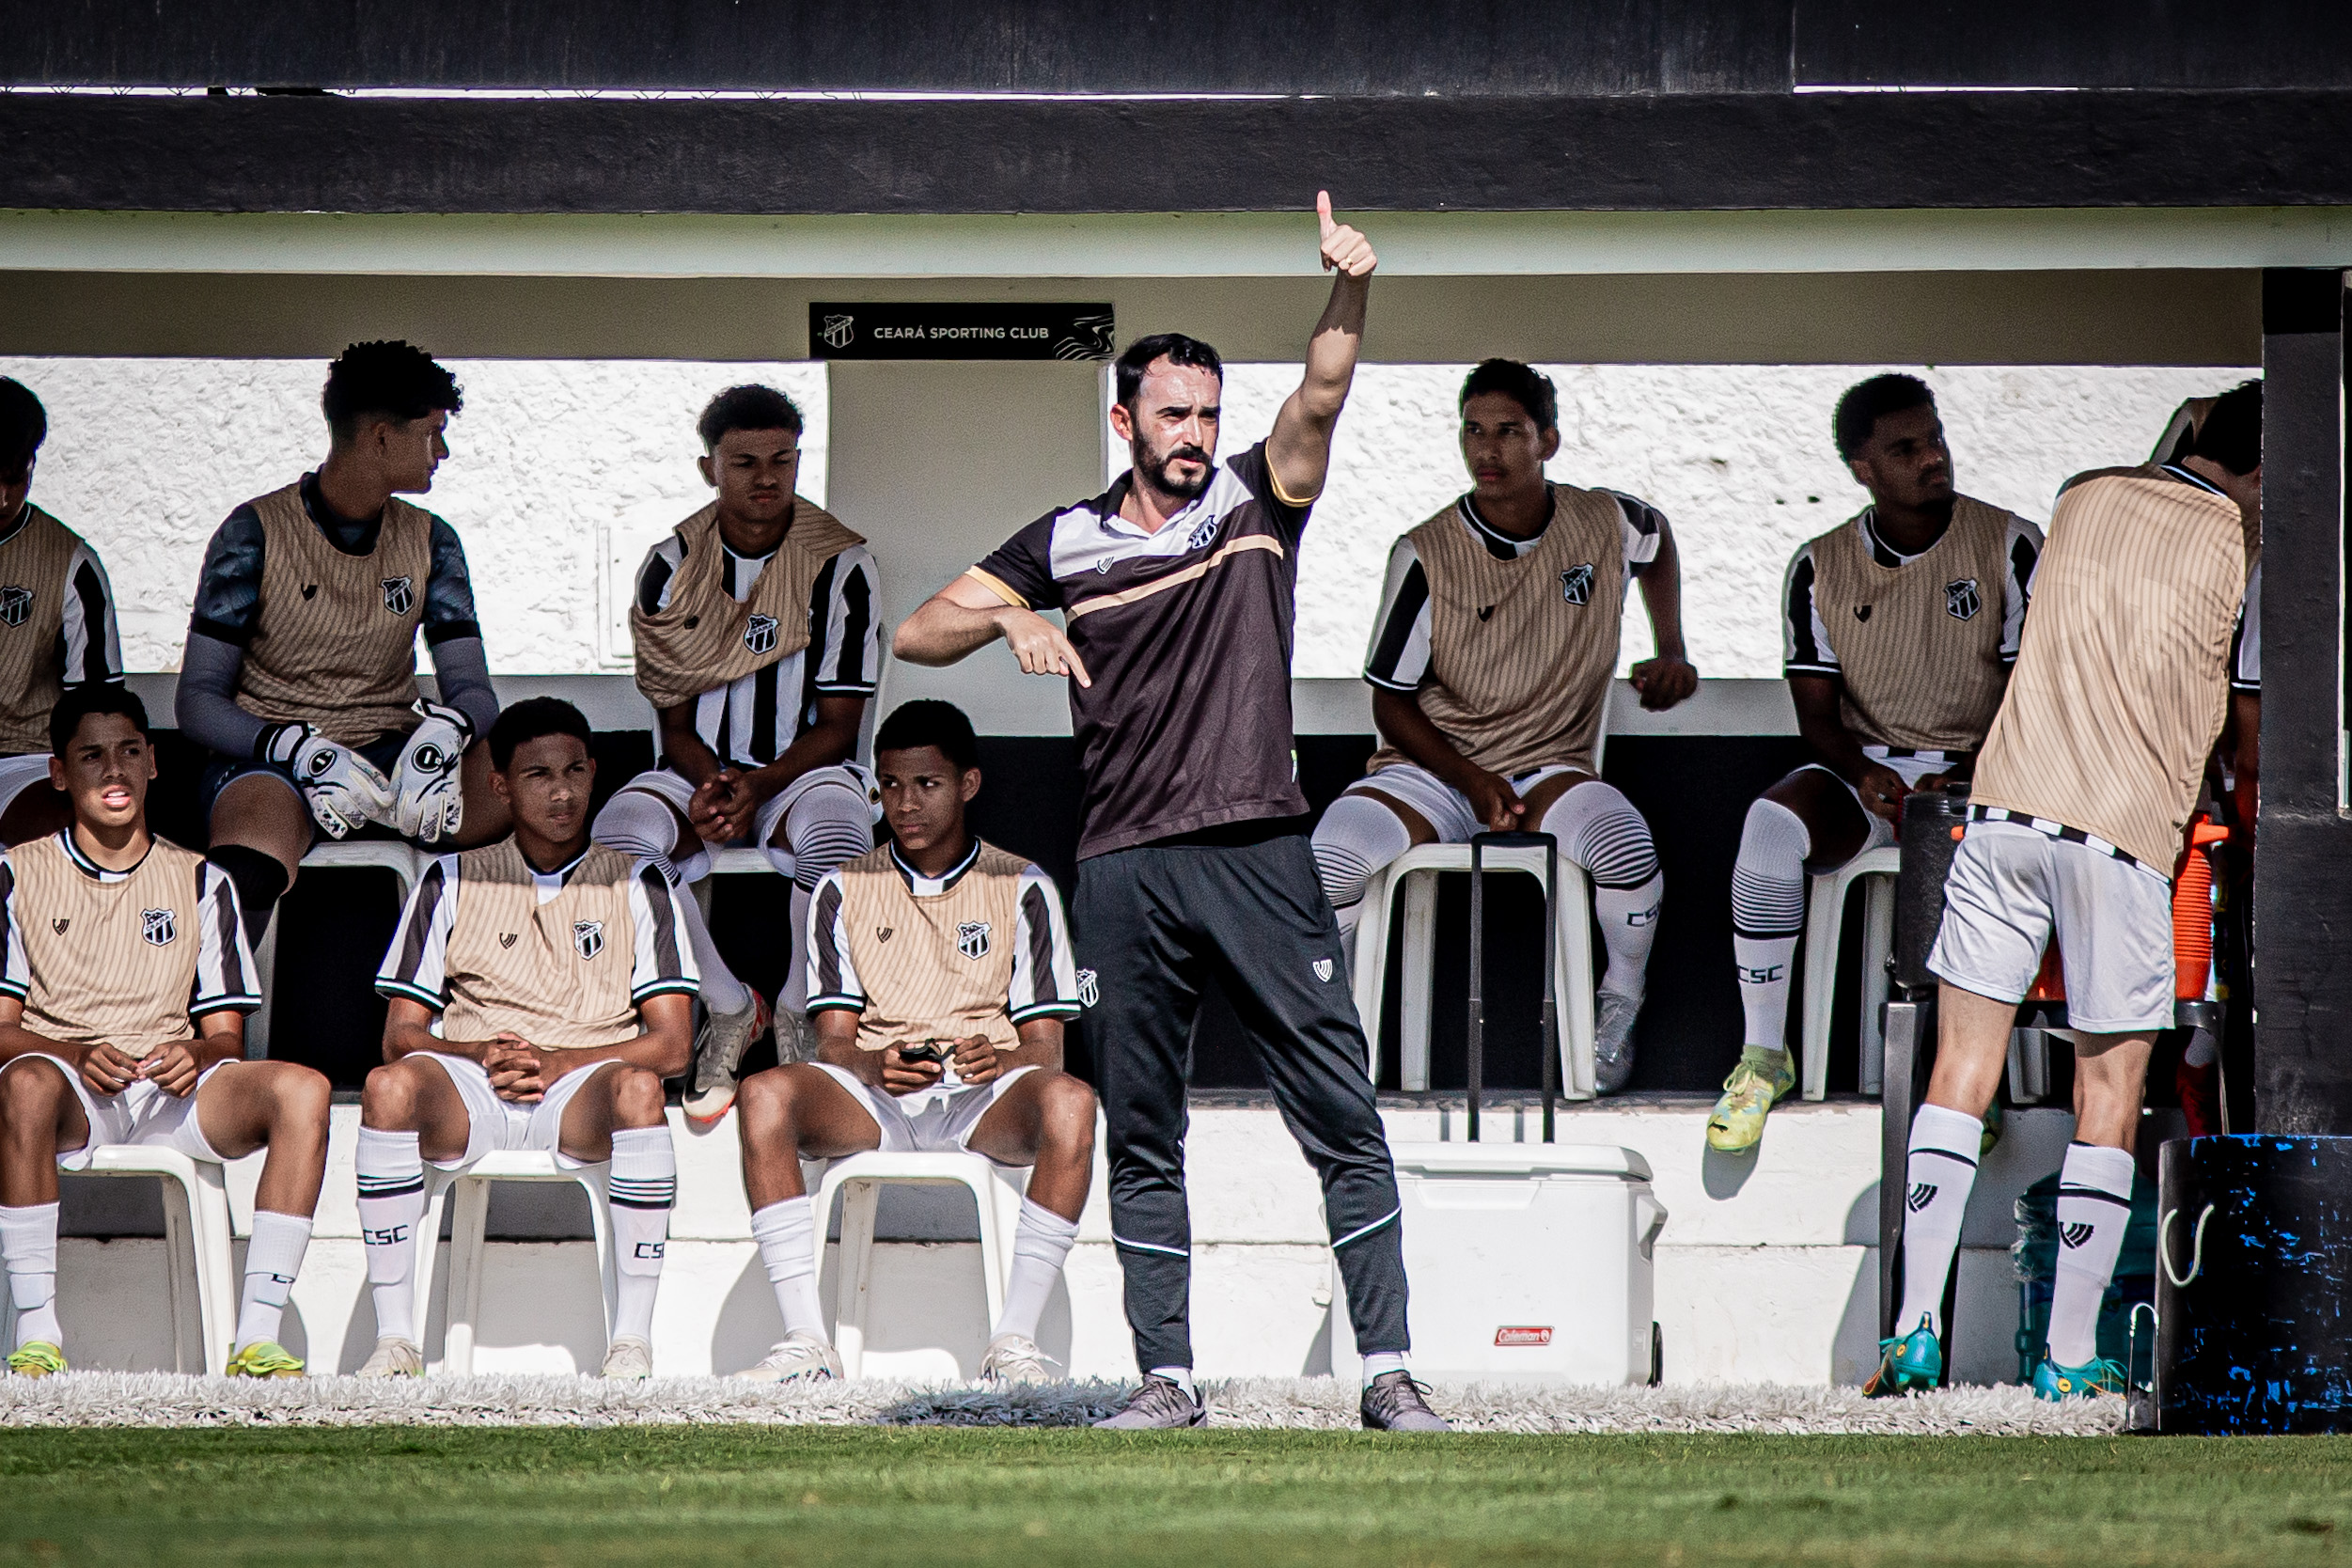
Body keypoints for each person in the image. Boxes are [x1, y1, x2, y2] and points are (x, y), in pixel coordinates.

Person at [897, 194, 1449, 1433]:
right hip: (1123, 868)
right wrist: (1011, 613)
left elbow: (1320, 392)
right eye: (1173, 414)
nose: (1196, 434)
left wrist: (1349, 287)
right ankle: (1168, 1381)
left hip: (1259, 850)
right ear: (1124, 421)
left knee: (1341, 1116)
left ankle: (1388, 1373)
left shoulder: (1257, 498)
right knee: (1143, 1130)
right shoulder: (1064, 540)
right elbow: (917, 632)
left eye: (1207, 413)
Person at [1873, 379, 2260, 1402]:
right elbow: (2249, 718)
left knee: (1959, 1072)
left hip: (2003, 811)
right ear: (2261, 472)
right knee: (2109, 1094)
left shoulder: (2082, 493)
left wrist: (2195, 428)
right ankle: (2071, 1355)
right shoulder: (2246, 543)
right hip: (2124, 837)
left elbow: (2162, 468)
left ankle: (1912, 1334)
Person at [1314, 358, 1696, 1091]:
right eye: (1473, 431)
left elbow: (1657, 540)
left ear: (1547, 440)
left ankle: (1618, 1005)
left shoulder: (1602, 520)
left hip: (1550, 763)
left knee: (1625, 847)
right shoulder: (1425, 552)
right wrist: (1469, 779)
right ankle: (1335, 1032)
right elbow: (1390, 703)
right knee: (1328, 860)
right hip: (1431, 770)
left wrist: (1671, 648)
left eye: (1509, 432)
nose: (1487, 450)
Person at [1707, 375, 2042, 1152]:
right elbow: (1817, 718)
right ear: (1862, 468)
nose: (1932, 458)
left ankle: (1972, 1077)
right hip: (1872, 776)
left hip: (1983, 775)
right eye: (1905, 448)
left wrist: (1969, 773)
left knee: (1982, 843)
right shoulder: (1820, 564)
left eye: (1935, 439)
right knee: (1769, 827)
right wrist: (1862, 774)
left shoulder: (2009, 542)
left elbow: (2035, 692)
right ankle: (1763, 1058)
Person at [729, 699, 1092, 1386]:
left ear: (968, 784)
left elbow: (1047, 1051)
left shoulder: (1024, 885)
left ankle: (1013, 1342)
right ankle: (806, 1343)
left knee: (1073, 1104)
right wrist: (875, 1064)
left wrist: (999, 1058)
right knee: (763, 1095)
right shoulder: (842, 886)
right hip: (879, 1102)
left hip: (983, 1100)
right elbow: (834, 1044)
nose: (905, 804)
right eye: (891, 785)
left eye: (927, 784)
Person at [358, 698, 698, 1379]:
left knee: (640, 1089)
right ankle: (394, 1341)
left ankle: (631, 1343)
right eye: (538, 775)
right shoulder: (451, 877)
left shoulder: (639, 880)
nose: (562, 792)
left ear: (595, 772)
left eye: (575, 771)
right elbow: (401, 1035)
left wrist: (561, 1060)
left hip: (582, 1086)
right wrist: (479, 1054)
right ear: (500, 785)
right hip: (475, 1083)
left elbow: (672, 1044)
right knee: (387, 1087)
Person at [0, 685, 328, 1378]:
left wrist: (197, 1052)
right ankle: (38, 1335)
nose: (113, 771)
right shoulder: (15, 874)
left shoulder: (203, 879)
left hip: (170, 1094)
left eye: (128, 752)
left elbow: (227, 1039)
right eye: (91, 756)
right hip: (73, 1092)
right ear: (59, 772)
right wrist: (73, 1053)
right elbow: (2, 1031)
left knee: (303, 1090)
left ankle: (256, 1338)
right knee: (25, 1082)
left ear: (152, 762)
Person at [591, 385, 880, 1127]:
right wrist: (715, 784)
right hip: (698, 769)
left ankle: (799, 1009)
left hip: (802, 773)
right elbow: (674, 721)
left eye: (782, 459)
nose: (766, 477)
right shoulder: (670, 563)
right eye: (745, 462)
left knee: (840, 835)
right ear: (709, 468)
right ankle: (729, 1007)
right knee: (618, 842)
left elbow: (840, 725)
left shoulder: (842, 564)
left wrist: (758, 784)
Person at [178, 340, 506, 951]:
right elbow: (196, 702)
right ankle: (207, 1015)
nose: (443, 452)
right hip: (273, 761)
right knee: (248, 866)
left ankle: (515, 998)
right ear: (380, 438)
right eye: (433, 433)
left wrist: (446, 734)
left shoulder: (432, 540)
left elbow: (473, 689)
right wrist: (295, 749)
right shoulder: (253, 532)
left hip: (397, 757)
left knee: (537, 785)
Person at [0, 378, 126, 846]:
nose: (3, 498)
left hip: (27, 762)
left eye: (16, 478)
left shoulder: (71, 562)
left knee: (63, 840)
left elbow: (97, 704)